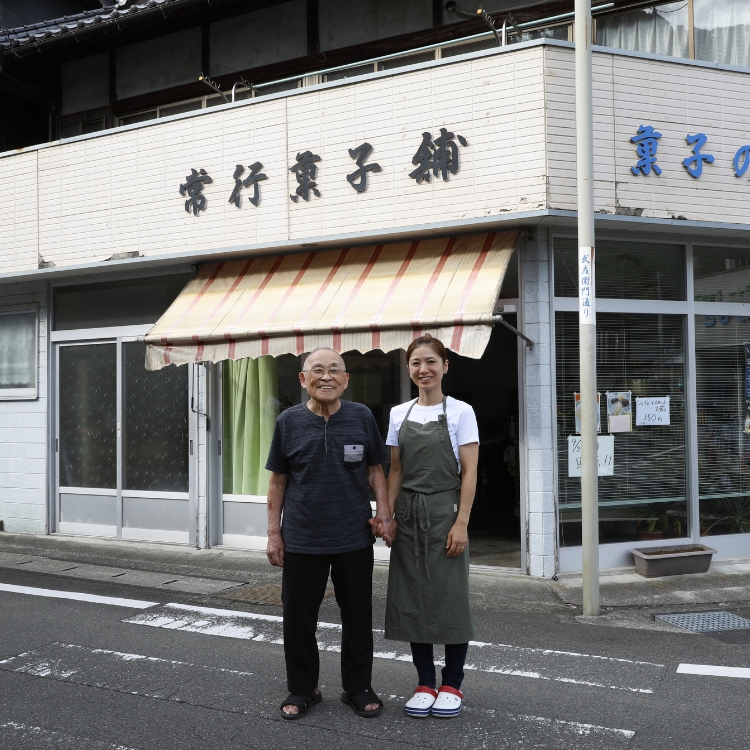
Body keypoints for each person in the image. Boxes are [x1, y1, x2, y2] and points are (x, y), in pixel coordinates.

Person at [265, 347, 395, 720]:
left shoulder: (361, 416)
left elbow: (375, 470)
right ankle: (304, 689)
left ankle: (358, 687)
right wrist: (274, 533)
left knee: (357, 614)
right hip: (303, 537)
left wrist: (383, 513)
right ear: (303, 380)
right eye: (317, 370)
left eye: (334, 370)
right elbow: (278, 481)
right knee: (298, 617)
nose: (327, 377)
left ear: (346, 379)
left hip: (353, 535)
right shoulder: (288, 421)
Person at [380, 334, 479, 719]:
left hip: (445, 511)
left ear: (445, 366)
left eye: (431, 362)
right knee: (411, 597)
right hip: (407, 514)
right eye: (416, 363)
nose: (424, 370)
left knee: (449, 596)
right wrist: (386, 514)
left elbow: (469, 472)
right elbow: (396, 470)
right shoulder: (397, 414)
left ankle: (452, 682)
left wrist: (462, 523)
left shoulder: (461, 412)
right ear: (409, 369)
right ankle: (424, 681)